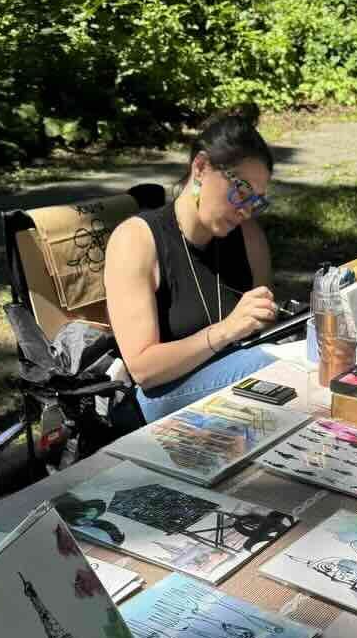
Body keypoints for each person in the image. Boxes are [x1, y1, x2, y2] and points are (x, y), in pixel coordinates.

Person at [104, 104, 281, 421]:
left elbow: (263, 330)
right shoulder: (136, 240)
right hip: (157, 398)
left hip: (234, 386)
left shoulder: (248, 235)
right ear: (200, 168)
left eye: (256, 200)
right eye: (241, 190)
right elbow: (143, 369)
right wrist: (225, 331)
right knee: (269, 367)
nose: (246, 210)